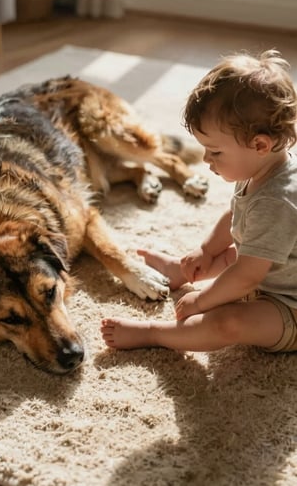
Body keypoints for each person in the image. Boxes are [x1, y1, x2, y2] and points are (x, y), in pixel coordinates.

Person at [101, 49, 297, 354]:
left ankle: (155, 334)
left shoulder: (278, 202)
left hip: (289, 306)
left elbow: (247, 277)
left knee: (228, 322)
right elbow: (234, 214)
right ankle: (181, 271)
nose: (206, 159)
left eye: (215, 152)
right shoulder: (262, 167)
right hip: (272, 273)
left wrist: (202, 301)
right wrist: (206, 250)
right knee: (235, 252)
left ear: (260, 144)